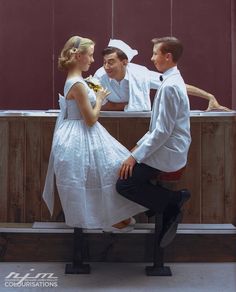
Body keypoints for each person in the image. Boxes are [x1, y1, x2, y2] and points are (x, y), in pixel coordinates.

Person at [42, 36, 146, 232]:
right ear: (78, 56)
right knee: (99, 174)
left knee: (108, 170)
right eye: (89, 56)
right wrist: (97, 99)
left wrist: (97, 91)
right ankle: (105, 218)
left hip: (83, 132)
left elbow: (97, 99)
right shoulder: (77, 84)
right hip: (80, 133)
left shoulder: (81, 81)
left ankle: (113, 215)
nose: (92, 60)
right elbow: (90, 119)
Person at [116, 37, 191, 247]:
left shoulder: (169, 87)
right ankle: (165, 205)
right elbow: (156, 129)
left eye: (155, 53)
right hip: (166, 146)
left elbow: (162, 132)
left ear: (168, 56)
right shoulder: (171, 80)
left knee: (124, 184)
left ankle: (173, 201)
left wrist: (134, 156)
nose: (151, 57)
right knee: (127, 173)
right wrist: (137, 148)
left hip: (169, 150)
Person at [94, 39, 230, 112]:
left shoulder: (140, 74)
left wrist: (209, 96)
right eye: (104, 62)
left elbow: (175, 84)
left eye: (111, 62)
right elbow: (98, 104)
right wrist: (130, 105)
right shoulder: (98, 76)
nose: (106, 67)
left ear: (124, 62)